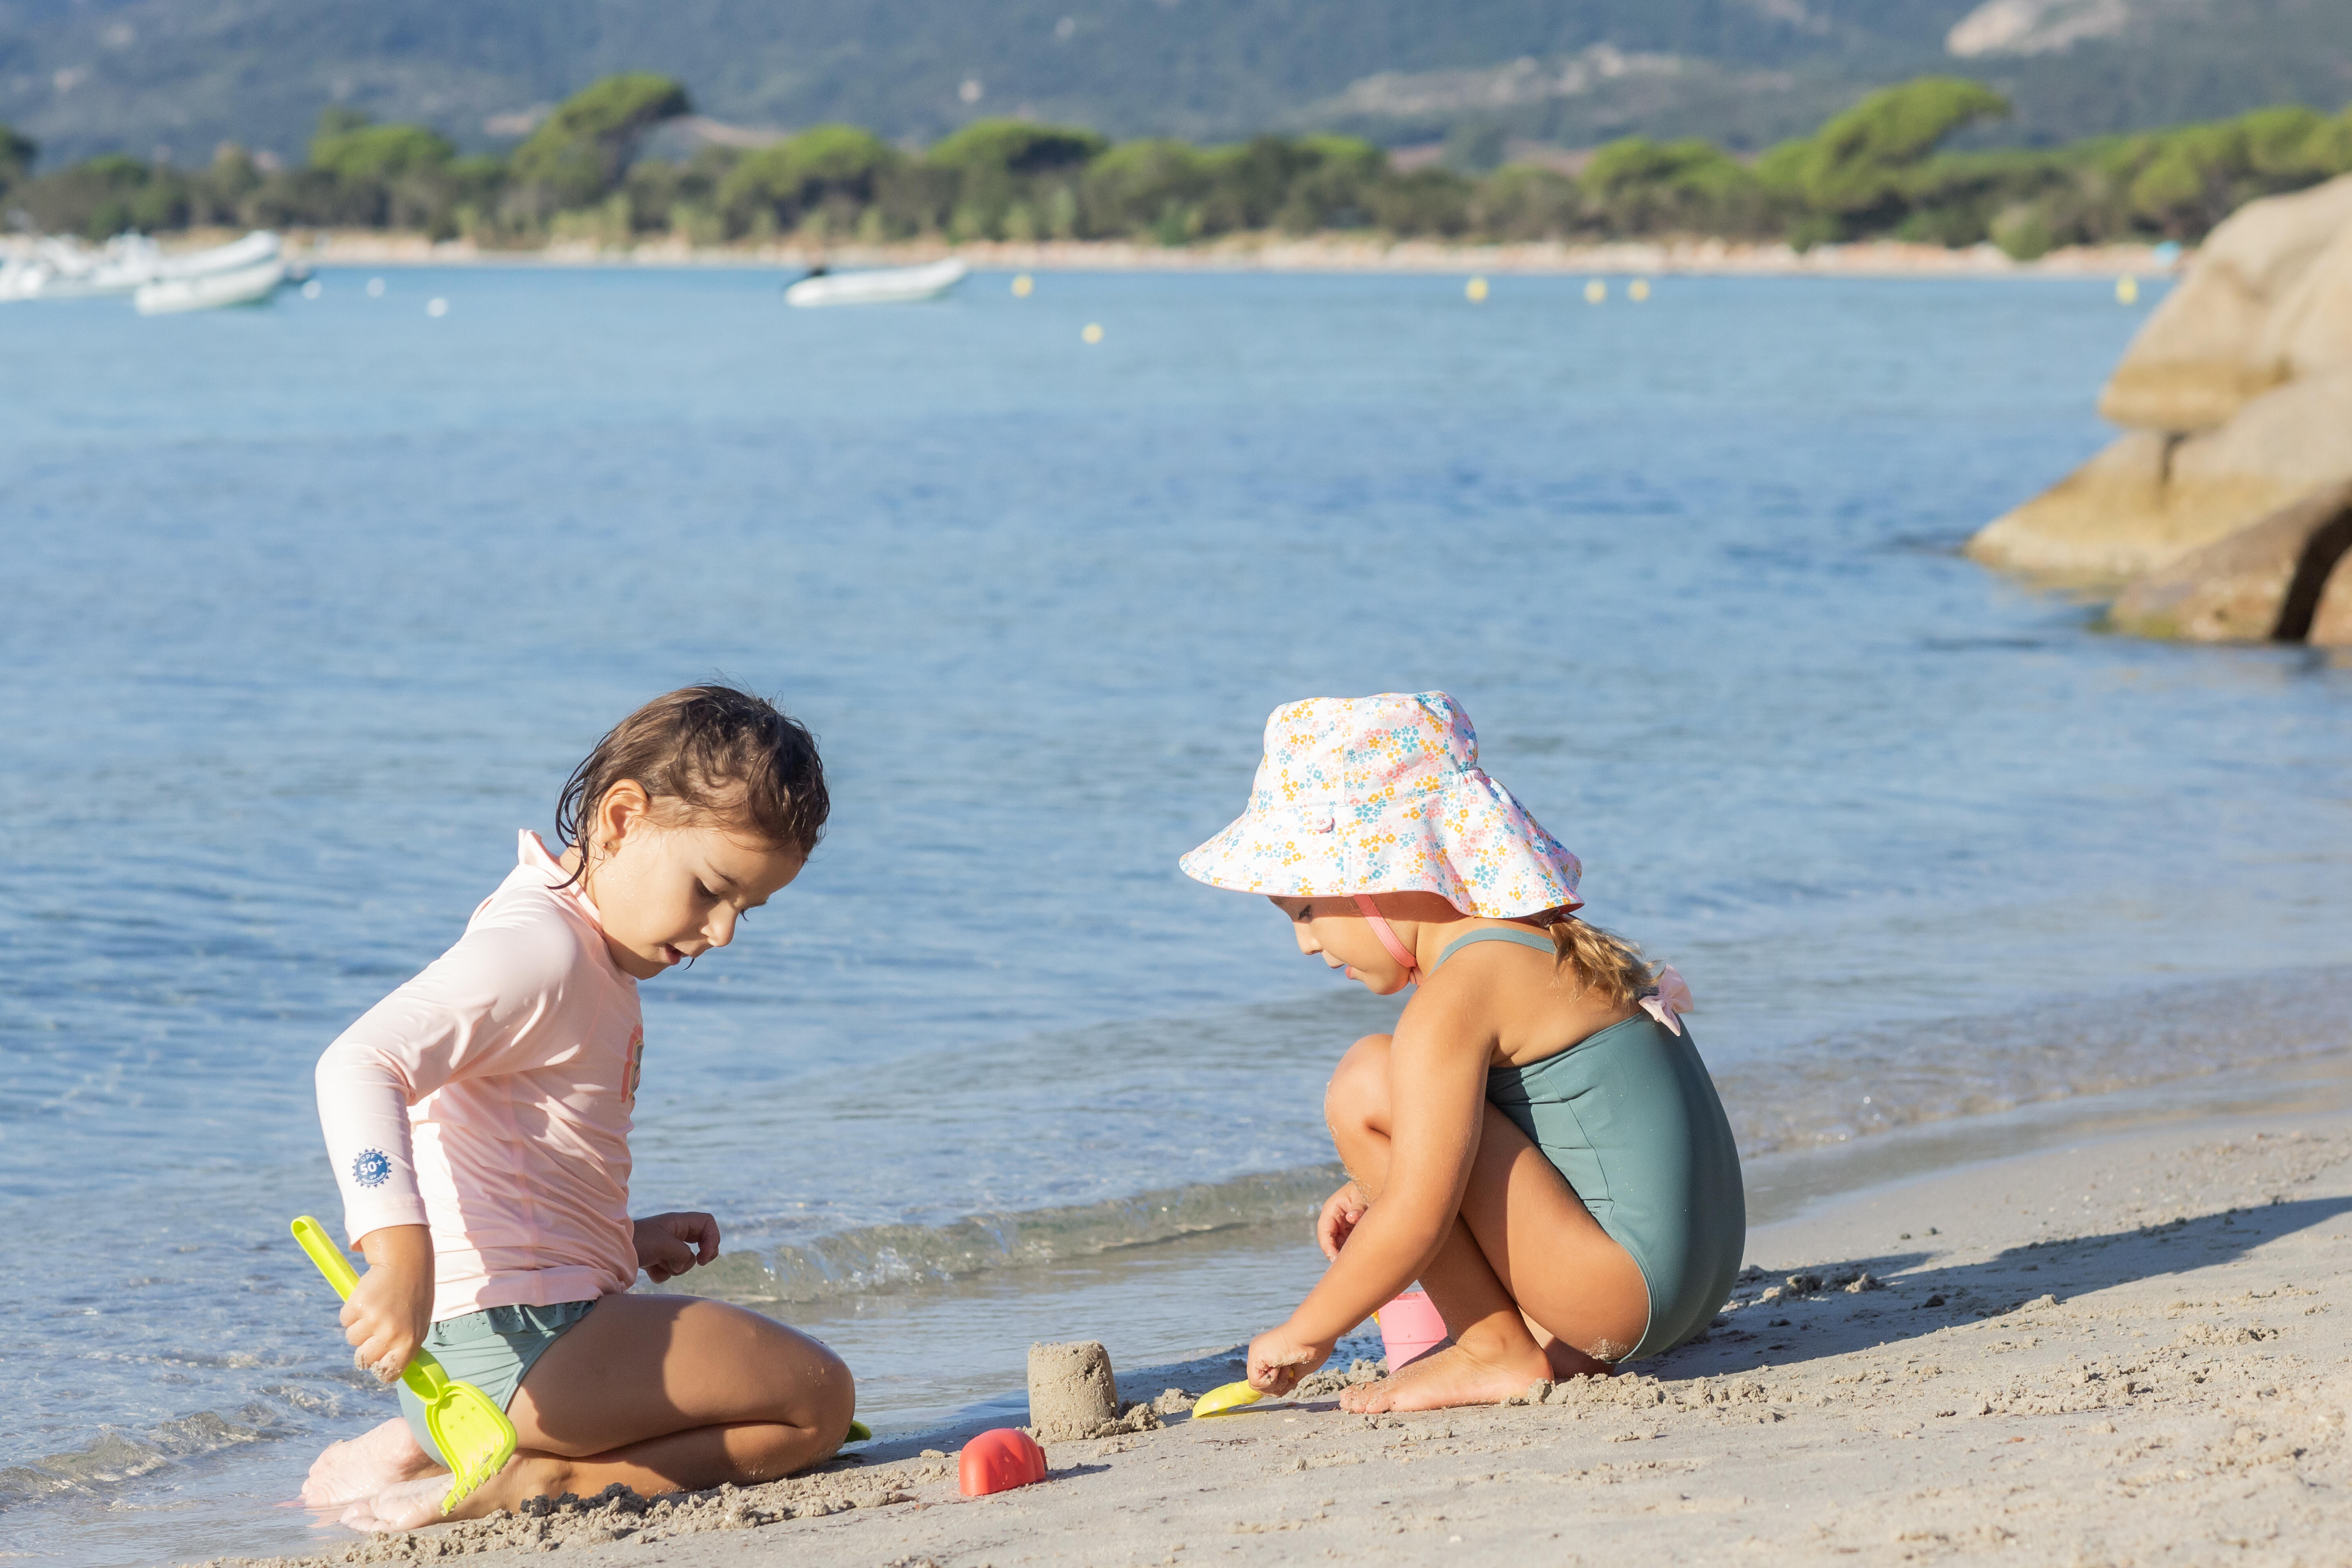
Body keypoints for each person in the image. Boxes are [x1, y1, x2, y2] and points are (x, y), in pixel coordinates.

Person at [300, 686, 854, 1531]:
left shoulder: (579, 949)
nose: (725, 933)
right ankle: (547, 1482)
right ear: (622, 820)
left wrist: (621, 1241)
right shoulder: (544, 950)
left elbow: (505, 1164)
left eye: (750, 909)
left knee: (777, 1393)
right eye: (711, 889)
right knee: (814, 1403)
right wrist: (399, 1255)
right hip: (519, 1354)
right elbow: (358, 1063)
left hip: (486, 1360)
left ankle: (422, 1445)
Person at [1180, 692, 1743, 1413]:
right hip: (1693, 1288)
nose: (1306, 944)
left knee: (1365, 1082)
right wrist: (1368, 1186)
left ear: (1382, 873)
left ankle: (1493, 1351)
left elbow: (1417, 1213)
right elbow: (1571, 1126)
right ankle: (1523, 1339)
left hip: (1620, 1299)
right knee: (1400, 1100)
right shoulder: (1536, 943)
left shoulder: (1456, 996)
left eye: (1308, 910)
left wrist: (1308, 1330)